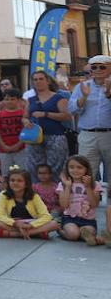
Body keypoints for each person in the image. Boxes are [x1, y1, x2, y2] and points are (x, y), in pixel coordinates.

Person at [68, 54, 111, 185]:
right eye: (94, 67)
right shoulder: (82, 86)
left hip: (109, 134)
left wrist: (109, 92)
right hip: (88, 134)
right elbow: (72, 109)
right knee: (84, 173)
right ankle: (85, 204)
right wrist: (84, 97)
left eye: (102, 67)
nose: (97, 70)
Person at [25, 71, 71, 177]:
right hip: (34, 137)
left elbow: (67, 116)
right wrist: (26, 121)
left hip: (55, 135)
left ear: (48, 81)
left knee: (57, 167)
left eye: (41, 79)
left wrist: (45, 114)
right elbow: (25, 117)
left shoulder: (59, 98)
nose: (38, 82)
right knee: (33, 167)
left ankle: (58, 191)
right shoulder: (30, 100)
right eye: (35, 79)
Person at [0, 168, 58, 239]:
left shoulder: (34, 196)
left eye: (19, 181)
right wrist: (15, 223)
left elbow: (46, 216)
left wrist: (30, 225)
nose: (15, 183)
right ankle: (36, 233)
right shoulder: (3, 195)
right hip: (13, 223)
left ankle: (17, 234)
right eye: (12, 180)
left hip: (30, 223)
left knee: (54, 224)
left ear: (26, 184)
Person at [57, 155, 103, 245]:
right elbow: (64, 205)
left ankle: (88, 236)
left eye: (79, 167)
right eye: (71, 167)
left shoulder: (94, 184)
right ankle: (59, 230)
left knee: (87, 233)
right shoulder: (63, 184)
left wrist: (88, 187)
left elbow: (94, 205)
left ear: (86, 169)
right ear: (67, 169)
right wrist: (68, 186)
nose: (75, 170)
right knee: (73, 235)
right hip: (70, 218)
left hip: (88, 220)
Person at [0, 89, 28, 173]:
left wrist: (18, 145)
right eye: (7, 99)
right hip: (4, 150)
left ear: (18, 100)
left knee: (22, 172)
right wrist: (3, 145)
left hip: (21, 149)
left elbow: (26, 131)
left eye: (12, 99)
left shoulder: (24, 114)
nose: (9, 101)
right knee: (6, 173)